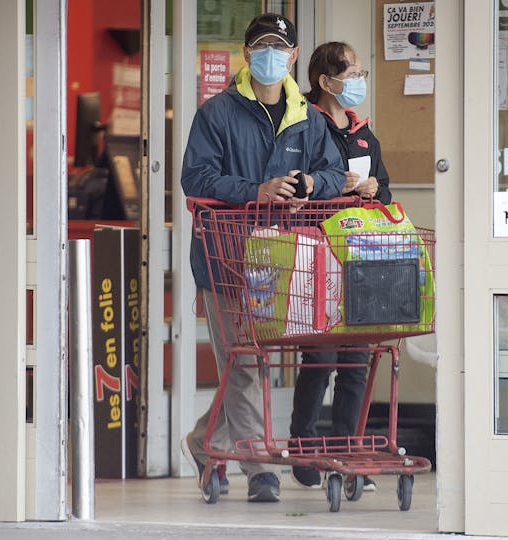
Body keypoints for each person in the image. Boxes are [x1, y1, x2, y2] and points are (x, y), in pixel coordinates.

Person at [179, 13, 345, 503]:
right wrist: (257, 191)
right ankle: (260, 470)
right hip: (226, 258)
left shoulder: (309, 119)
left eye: (280, 47)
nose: (271, 55)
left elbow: (333, 172)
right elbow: (197, 178)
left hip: (286, 261)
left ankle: (204, 444)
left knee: (246, 364)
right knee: (247, 362)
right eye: (261, 46)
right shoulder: (217, 114)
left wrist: (313, 184)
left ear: (293, 56)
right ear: (247, 54)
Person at [289, 41, 392, 491]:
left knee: (356, 357)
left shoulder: (364, 132)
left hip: (361, 255)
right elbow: (297, 183)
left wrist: (372, 189)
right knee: (322, 356)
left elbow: (386, 191)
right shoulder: (305, 125)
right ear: (326, 81)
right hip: (316, 252)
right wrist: (334, 186)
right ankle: (304, 448)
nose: (359, 82)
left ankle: (347, 450)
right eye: (352, 73)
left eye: (361, 72)